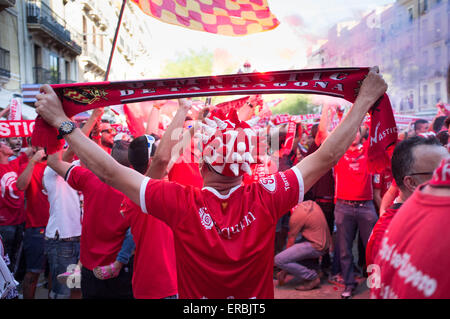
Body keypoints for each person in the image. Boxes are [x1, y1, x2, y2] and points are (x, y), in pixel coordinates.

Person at [35, 67, 387, 299]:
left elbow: (110, 172)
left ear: (201, 163)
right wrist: (365, 101)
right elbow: (326, 156)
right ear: (248, 167)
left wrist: (61, 122)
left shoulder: (179, 201)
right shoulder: (268, 195)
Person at [47, 141, 133, 299]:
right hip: (121, 268)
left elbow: (53, 161)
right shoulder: (137, 186)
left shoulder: (90, 178)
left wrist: (56, 127)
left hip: (90, 268)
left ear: (111, 158)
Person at [371, 157, 450, 298]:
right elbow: (376, 279)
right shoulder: (386, 229)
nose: (441, 174)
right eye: (434, 171)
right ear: (410, 182)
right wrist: (383, 216)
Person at [366, 136, 448, 267]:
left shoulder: (432, 215)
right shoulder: (386, 234)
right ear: (411, 183)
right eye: (441, 172)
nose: (447, 177)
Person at [333, 126, 379, 298]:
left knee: (373, 248)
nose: (354, 134)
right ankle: (349, 284)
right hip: (343, 207)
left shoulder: (367, 151)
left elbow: (375, 130)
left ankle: (376, 284)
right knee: (345, 251)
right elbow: (324, 135)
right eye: (350, 131)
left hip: (366, 207)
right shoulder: (339, 153)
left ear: (362, 135)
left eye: (357, 131)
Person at [43, 158, 82, 299]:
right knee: (62, 293)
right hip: (63, 242)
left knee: (77, 289)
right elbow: (60, 159)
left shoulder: (85, 168)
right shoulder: (52, 169)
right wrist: (77, 139)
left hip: (83, 241)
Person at [275, 200, 331, 290]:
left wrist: (283, 271)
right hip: (324, 244)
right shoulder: (310, 203)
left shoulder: (296, 216)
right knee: (299, 243)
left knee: (279, 260)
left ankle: (312, 277)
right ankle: (315, 269)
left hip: (317, 246)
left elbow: (290, 243)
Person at [18, 146, 49, 299]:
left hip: (61, 229)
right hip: (37, 228)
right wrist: (32, 162)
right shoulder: (29, 166)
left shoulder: (62, 164)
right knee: (33, 272)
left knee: (58, 275)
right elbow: (20, 186)